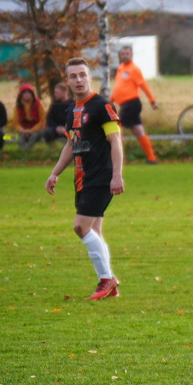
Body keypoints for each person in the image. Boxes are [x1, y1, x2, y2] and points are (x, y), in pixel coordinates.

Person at [45, 57, 124, 300]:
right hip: (83, 178)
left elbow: (116, 141)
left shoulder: (102, 106)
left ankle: (106, 280)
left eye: (82, 75)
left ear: (90, 77)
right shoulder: (71, 110)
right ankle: (110, 284)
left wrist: (117, 175)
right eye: (73, 76)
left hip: (102, 178)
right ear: (67, 81)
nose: (79, 80)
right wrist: (55, 172)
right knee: (95, 232)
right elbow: (71, 145)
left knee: (81, 227)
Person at [110, 46, 158, 164]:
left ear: (131, 55)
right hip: (125, 104)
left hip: (131, 103)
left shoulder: (134, 69)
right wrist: (110, 101)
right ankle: (152, 158)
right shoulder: (120, 68)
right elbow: (118, 86)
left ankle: (118, 159)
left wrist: (152, 101)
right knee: (138, 130)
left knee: (117, 128)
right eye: (122, 54)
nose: (124, 56)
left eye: (127, 54)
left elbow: (143, 85)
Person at [14, 83, 46, 150]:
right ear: (21, 95)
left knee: (34, 135)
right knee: (21, 137)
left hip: (37, 129)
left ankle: (27, 150)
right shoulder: (18, 105)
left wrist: (31, 131)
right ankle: (22, 151)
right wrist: (22, 130)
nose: (26, 94)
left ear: (32, 94)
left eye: (28, 92)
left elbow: (42, 121)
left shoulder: (38, 103)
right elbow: (16, 123)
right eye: (24, 93)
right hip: (23, 129)